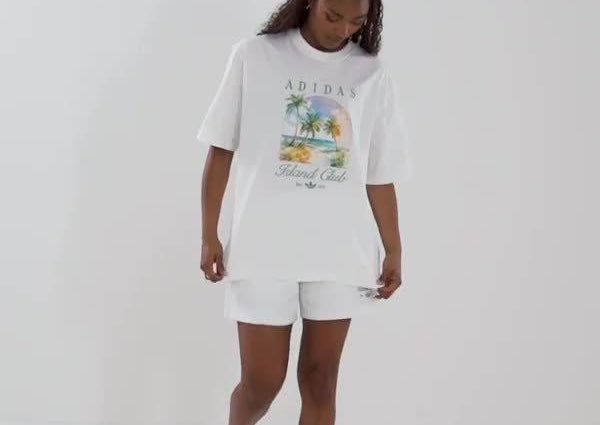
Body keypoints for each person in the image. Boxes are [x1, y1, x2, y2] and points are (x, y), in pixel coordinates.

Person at [196, 0, 413, 423]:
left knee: (320, 381)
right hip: (263, 244)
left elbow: (378, 173)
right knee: (261, 383)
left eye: (357, 22)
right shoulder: (255, 56)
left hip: (340, 250)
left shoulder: (371, 74)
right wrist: (209, 233)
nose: (343, 30)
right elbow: (221, 149)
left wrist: (394, 249)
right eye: (333, 16)